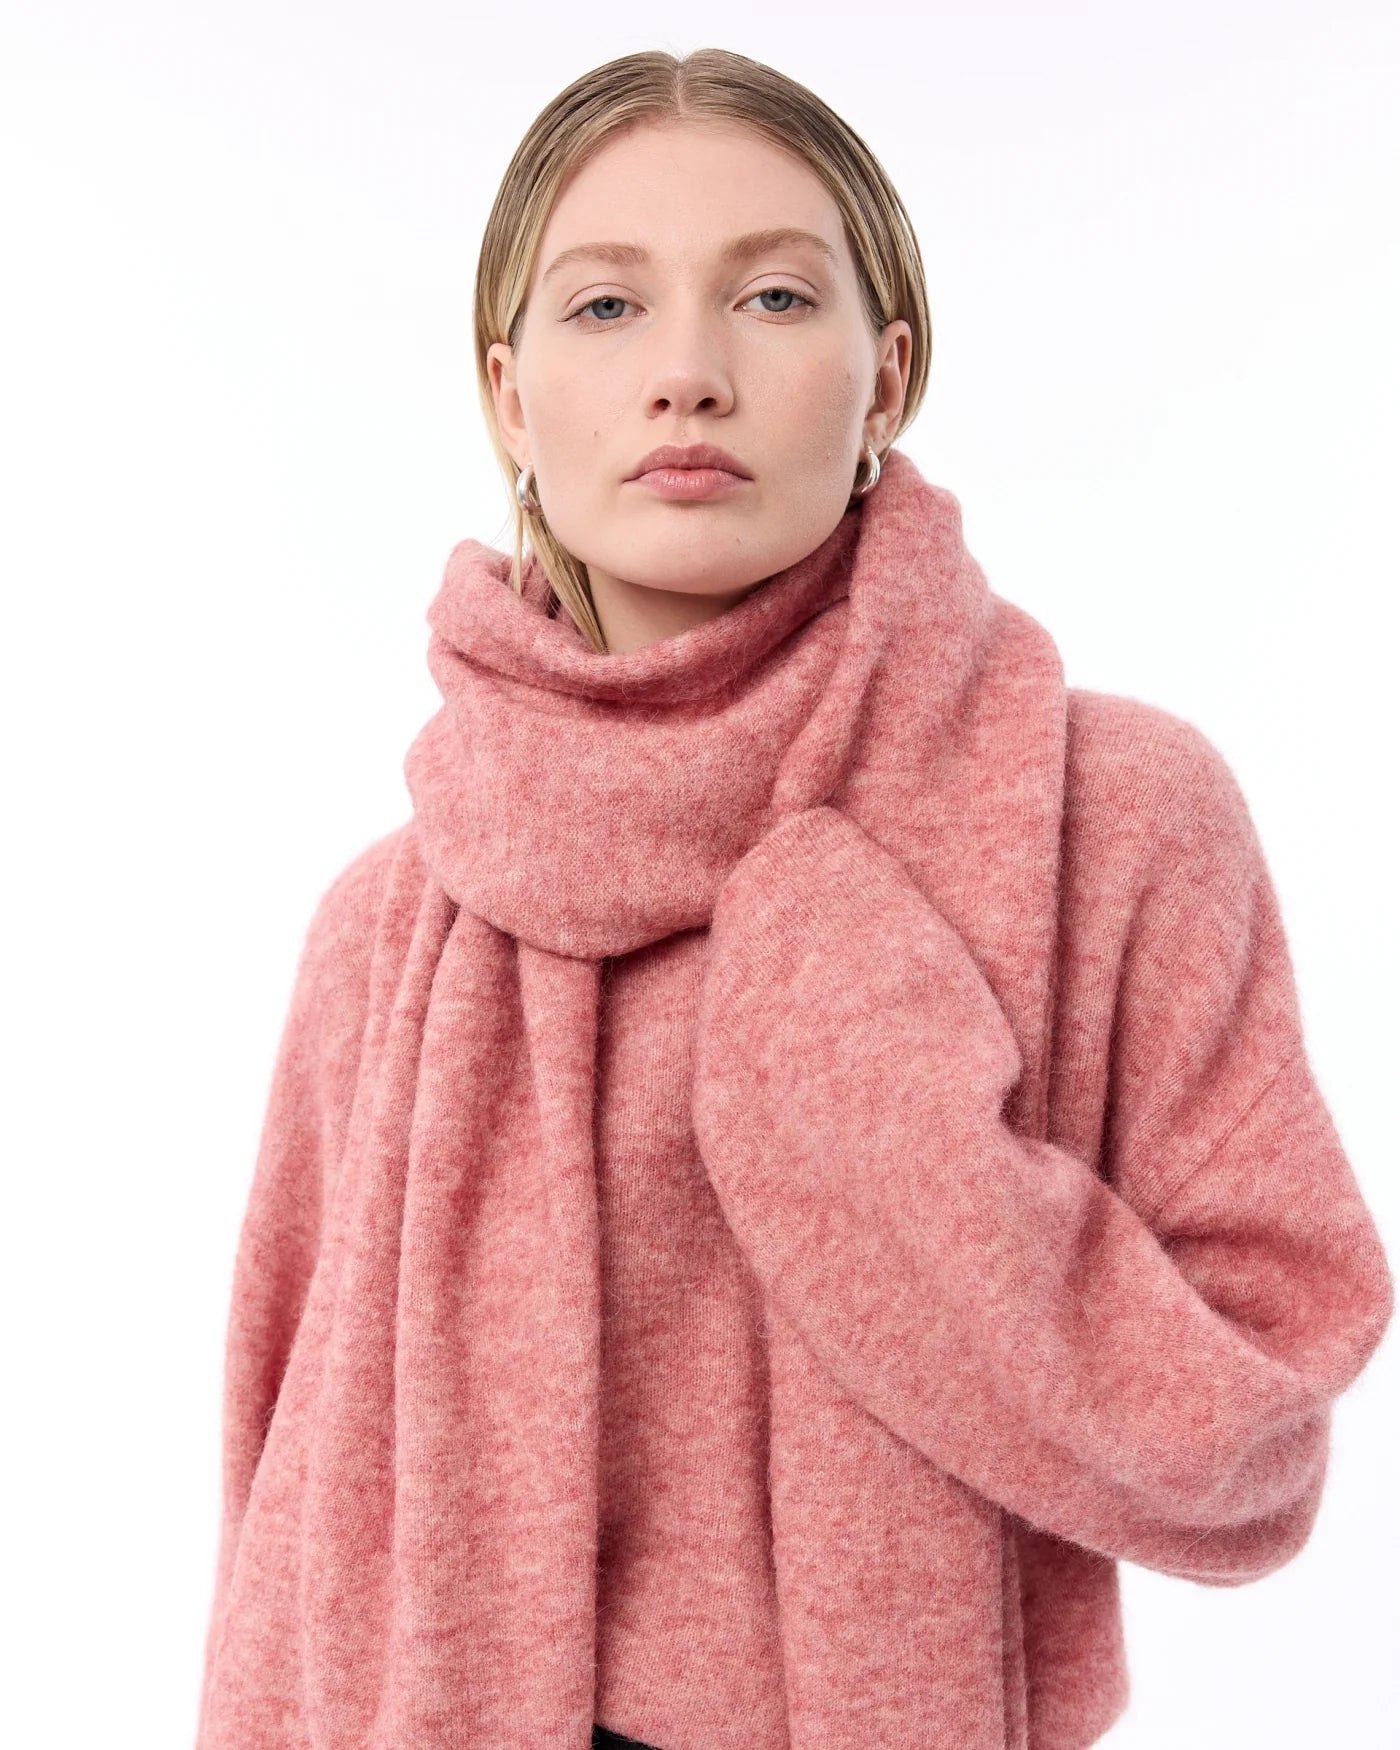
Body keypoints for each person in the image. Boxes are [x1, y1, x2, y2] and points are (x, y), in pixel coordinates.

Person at [193, 47, 1394, 1750]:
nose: (688, 373)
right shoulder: (391, 923)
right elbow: (277, 1526)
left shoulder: (1112, 814)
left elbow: (1255, 1425)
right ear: (511, 399)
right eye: (606, 307)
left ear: (887, 374)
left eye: (770, 295)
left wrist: (886, 1127)